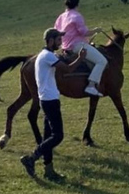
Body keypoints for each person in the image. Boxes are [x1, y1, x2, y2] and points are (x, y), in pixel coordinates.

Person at [20, 28, 87, 181]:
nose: (60, 42)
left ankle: (49, 171)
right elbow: (69, 69)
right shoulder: (47, 56)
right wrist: (81, 58)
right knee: (58, 136)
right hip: (50, 101)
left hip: (46, 99)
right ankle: (31, 158)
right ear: (50, 40)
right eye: (58, 40)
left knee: (47, 136)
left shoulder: (44, 56)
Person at [54, 0, 107, 97]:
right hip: (77, 46)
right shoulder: (77, 16)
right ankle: (91, 85)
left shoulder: (60, 17)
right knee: (102, 61)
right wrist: (96, 30)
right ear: (77, 4)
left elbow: (57, 32)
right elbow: (84, 32)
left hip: (65, 48)